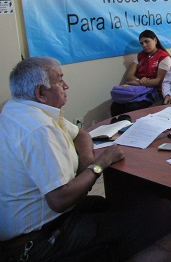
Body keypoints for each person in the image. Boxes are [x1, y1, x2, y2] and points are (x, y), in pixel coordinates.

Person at [0, 57, 156, 261]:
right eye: (59, 81)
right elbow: (60, 200)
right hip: (36, 240)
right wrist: (99, 164)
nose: (66, 85)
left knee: (102, 204)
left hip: (38, 220)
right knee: (137, 222)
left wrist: (85, 164)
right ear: (41, 93)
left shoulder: (18, 108)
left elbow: (81, 134)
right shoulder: (39, 129)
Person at [111, 29, 171, 116]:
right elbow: (130, 75)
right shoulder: (140, 55)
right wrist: (139, 80)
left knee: (133, 107)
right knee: (115, 105)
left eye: (147, 41)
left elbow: (158, 81)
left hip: (155, 91)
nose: (144, 45)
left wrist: (138, 82)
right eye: (142, 43)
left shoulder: (164, 57)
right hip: (140, 88)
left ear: (155, 40)